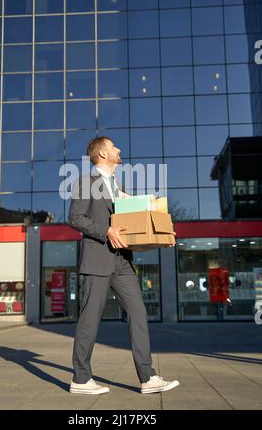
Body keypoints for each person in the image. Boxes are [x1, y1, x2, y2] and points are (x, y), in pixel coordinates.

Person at [68, 136, 179, 395]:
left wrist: (163, 236)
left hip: (122, 261)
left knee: (138, 313)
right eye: (114, 147)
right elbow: (75, 218)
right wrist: (105, 231)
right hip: (97, 259)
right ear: (103, 154)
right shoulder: (85, 182)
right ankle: (81, 379)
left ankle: (147, 377)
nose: (119, 150)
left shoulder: (119, 187)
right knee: (90, 319)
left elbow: (138, 221)